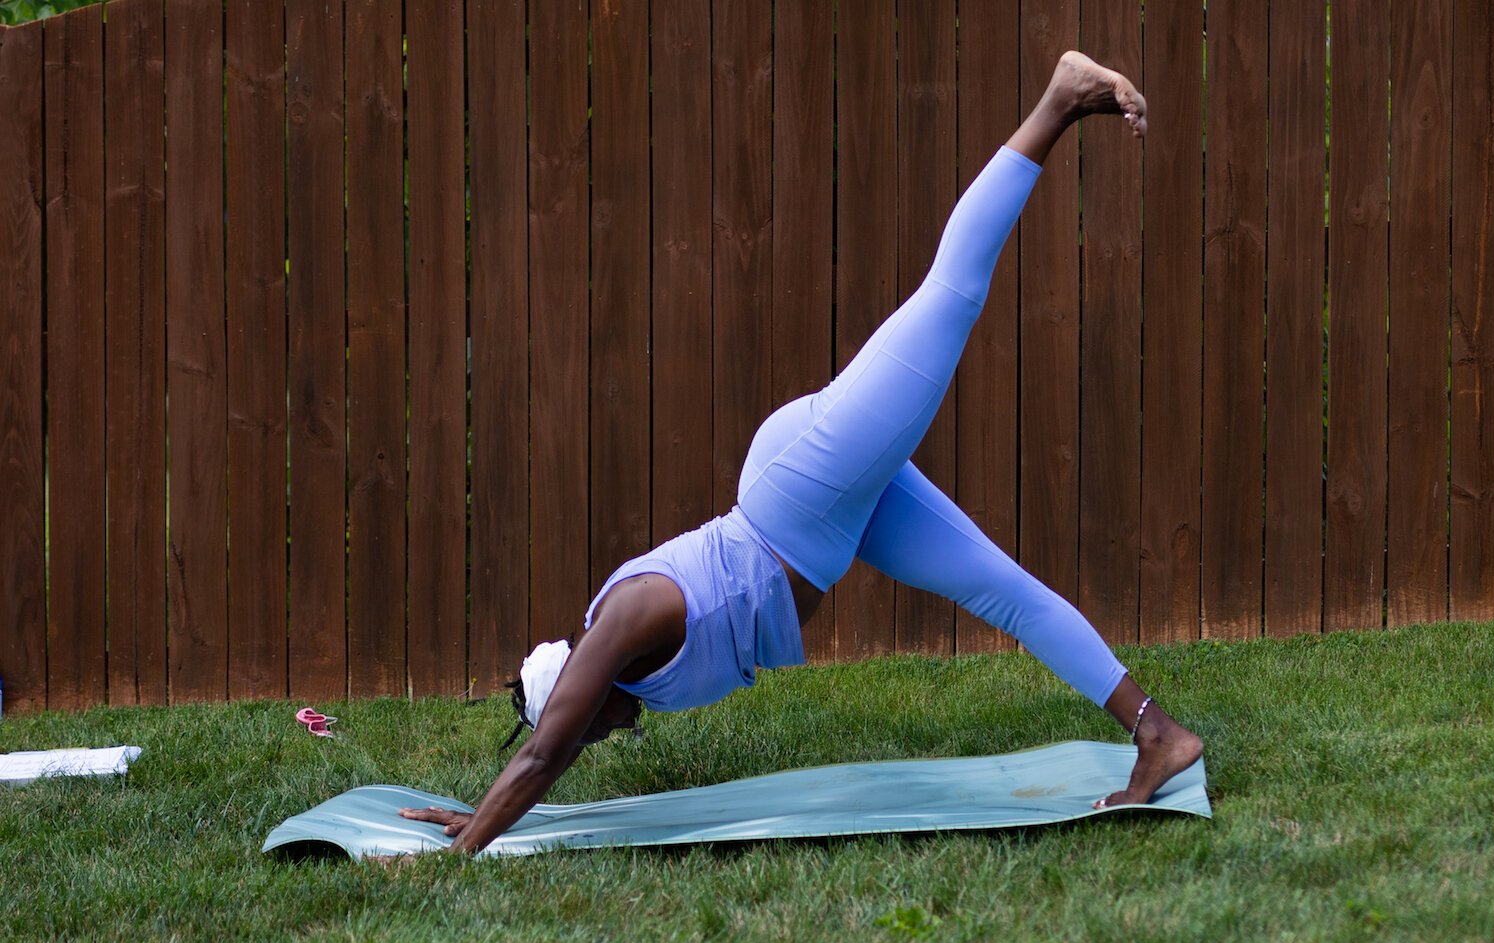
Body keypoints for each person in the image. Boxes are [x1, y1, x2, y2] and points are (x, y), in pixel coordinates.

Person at [402, 51, 1203, 855]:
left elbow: (545, 755)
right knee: (1001, 589)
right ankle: (1157, 732)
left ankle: (1058, 102)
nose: (607, 735)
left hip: (800, 497)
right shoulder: (620, 669)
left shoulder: (620, 621)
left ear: (577, 691)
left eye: (591, 727)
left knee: (950, 297)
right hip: (823, 526)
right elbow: (552, 751)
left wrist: (466, 848)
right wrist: (478, 814)